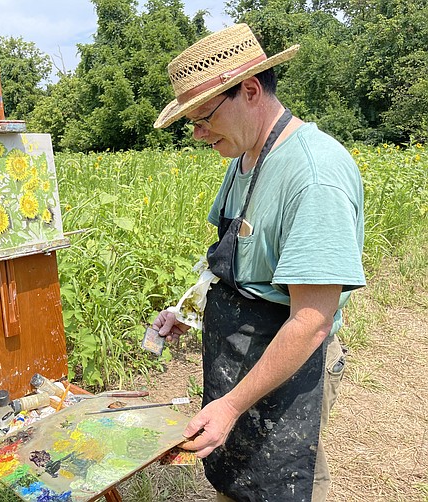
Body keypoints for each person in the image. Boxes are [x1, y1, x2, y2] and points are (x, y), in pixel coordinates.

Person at [151, 23, 365, 501]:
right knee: (239, 481)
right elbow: (229, 257)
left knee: (284, 483)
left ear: (249, 90)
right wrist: (188, 310)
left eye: (202, 116)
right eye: (191, 122)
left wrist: (228, 407)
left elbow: (311, 321)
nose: (198, 133)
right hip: (237, 357)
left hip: (290, 360)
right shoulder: (242, 157)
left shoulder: (314, 177)